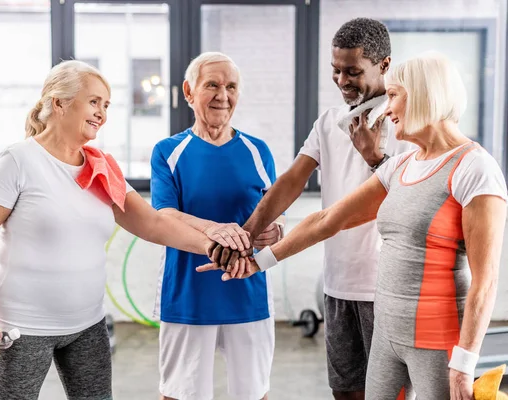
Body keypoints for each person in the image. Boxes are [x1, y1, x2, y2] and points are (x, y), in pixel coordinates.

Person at [203, 52, 508, 400]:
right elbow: (328, 219)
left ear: (425, 94)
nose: (387, 108)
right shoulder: (402, 166)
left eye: (394, 95)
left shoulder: (475, 169)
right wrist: (258, 262)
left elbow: (486, 281)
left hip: (437, 342)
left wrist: (465, 364)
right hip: (386, 338)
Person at [0, 60, 221, 400]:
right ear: (59, 103)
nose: (102, 113)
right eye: (94, 101)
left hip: (87, 324)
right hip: (24, 326)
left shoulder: (102, 166)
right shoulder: (18, 161)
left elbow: (153, 223)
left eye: (106, 105)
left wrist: (217, 248)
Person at [210, 18, 413, 400]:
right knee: (346, 392)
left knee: (391, 394)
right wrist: (245, 236)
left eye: (352, 71)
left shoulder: (407, 122)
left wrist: (374, 157)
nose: (341, 80)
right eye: (335, 70)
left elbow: (407, 202)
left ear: (384, 65)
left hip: (386, 289)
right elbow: (290, 182)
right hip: (338, 286)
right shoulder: (330, 121)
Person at [150, 51, 283, 400]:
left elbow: (275, 209)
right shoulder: (168, 151)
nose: (223, 95)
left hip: (249, 289)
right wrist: (215, 229)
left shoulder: (258, 149)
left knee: (254, 393)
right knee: (180, 393)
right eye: (212, 85)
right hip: (188, 291)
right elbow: (164, 215)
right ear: (189, 92)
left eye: (231, 86)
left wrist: (277, 230)